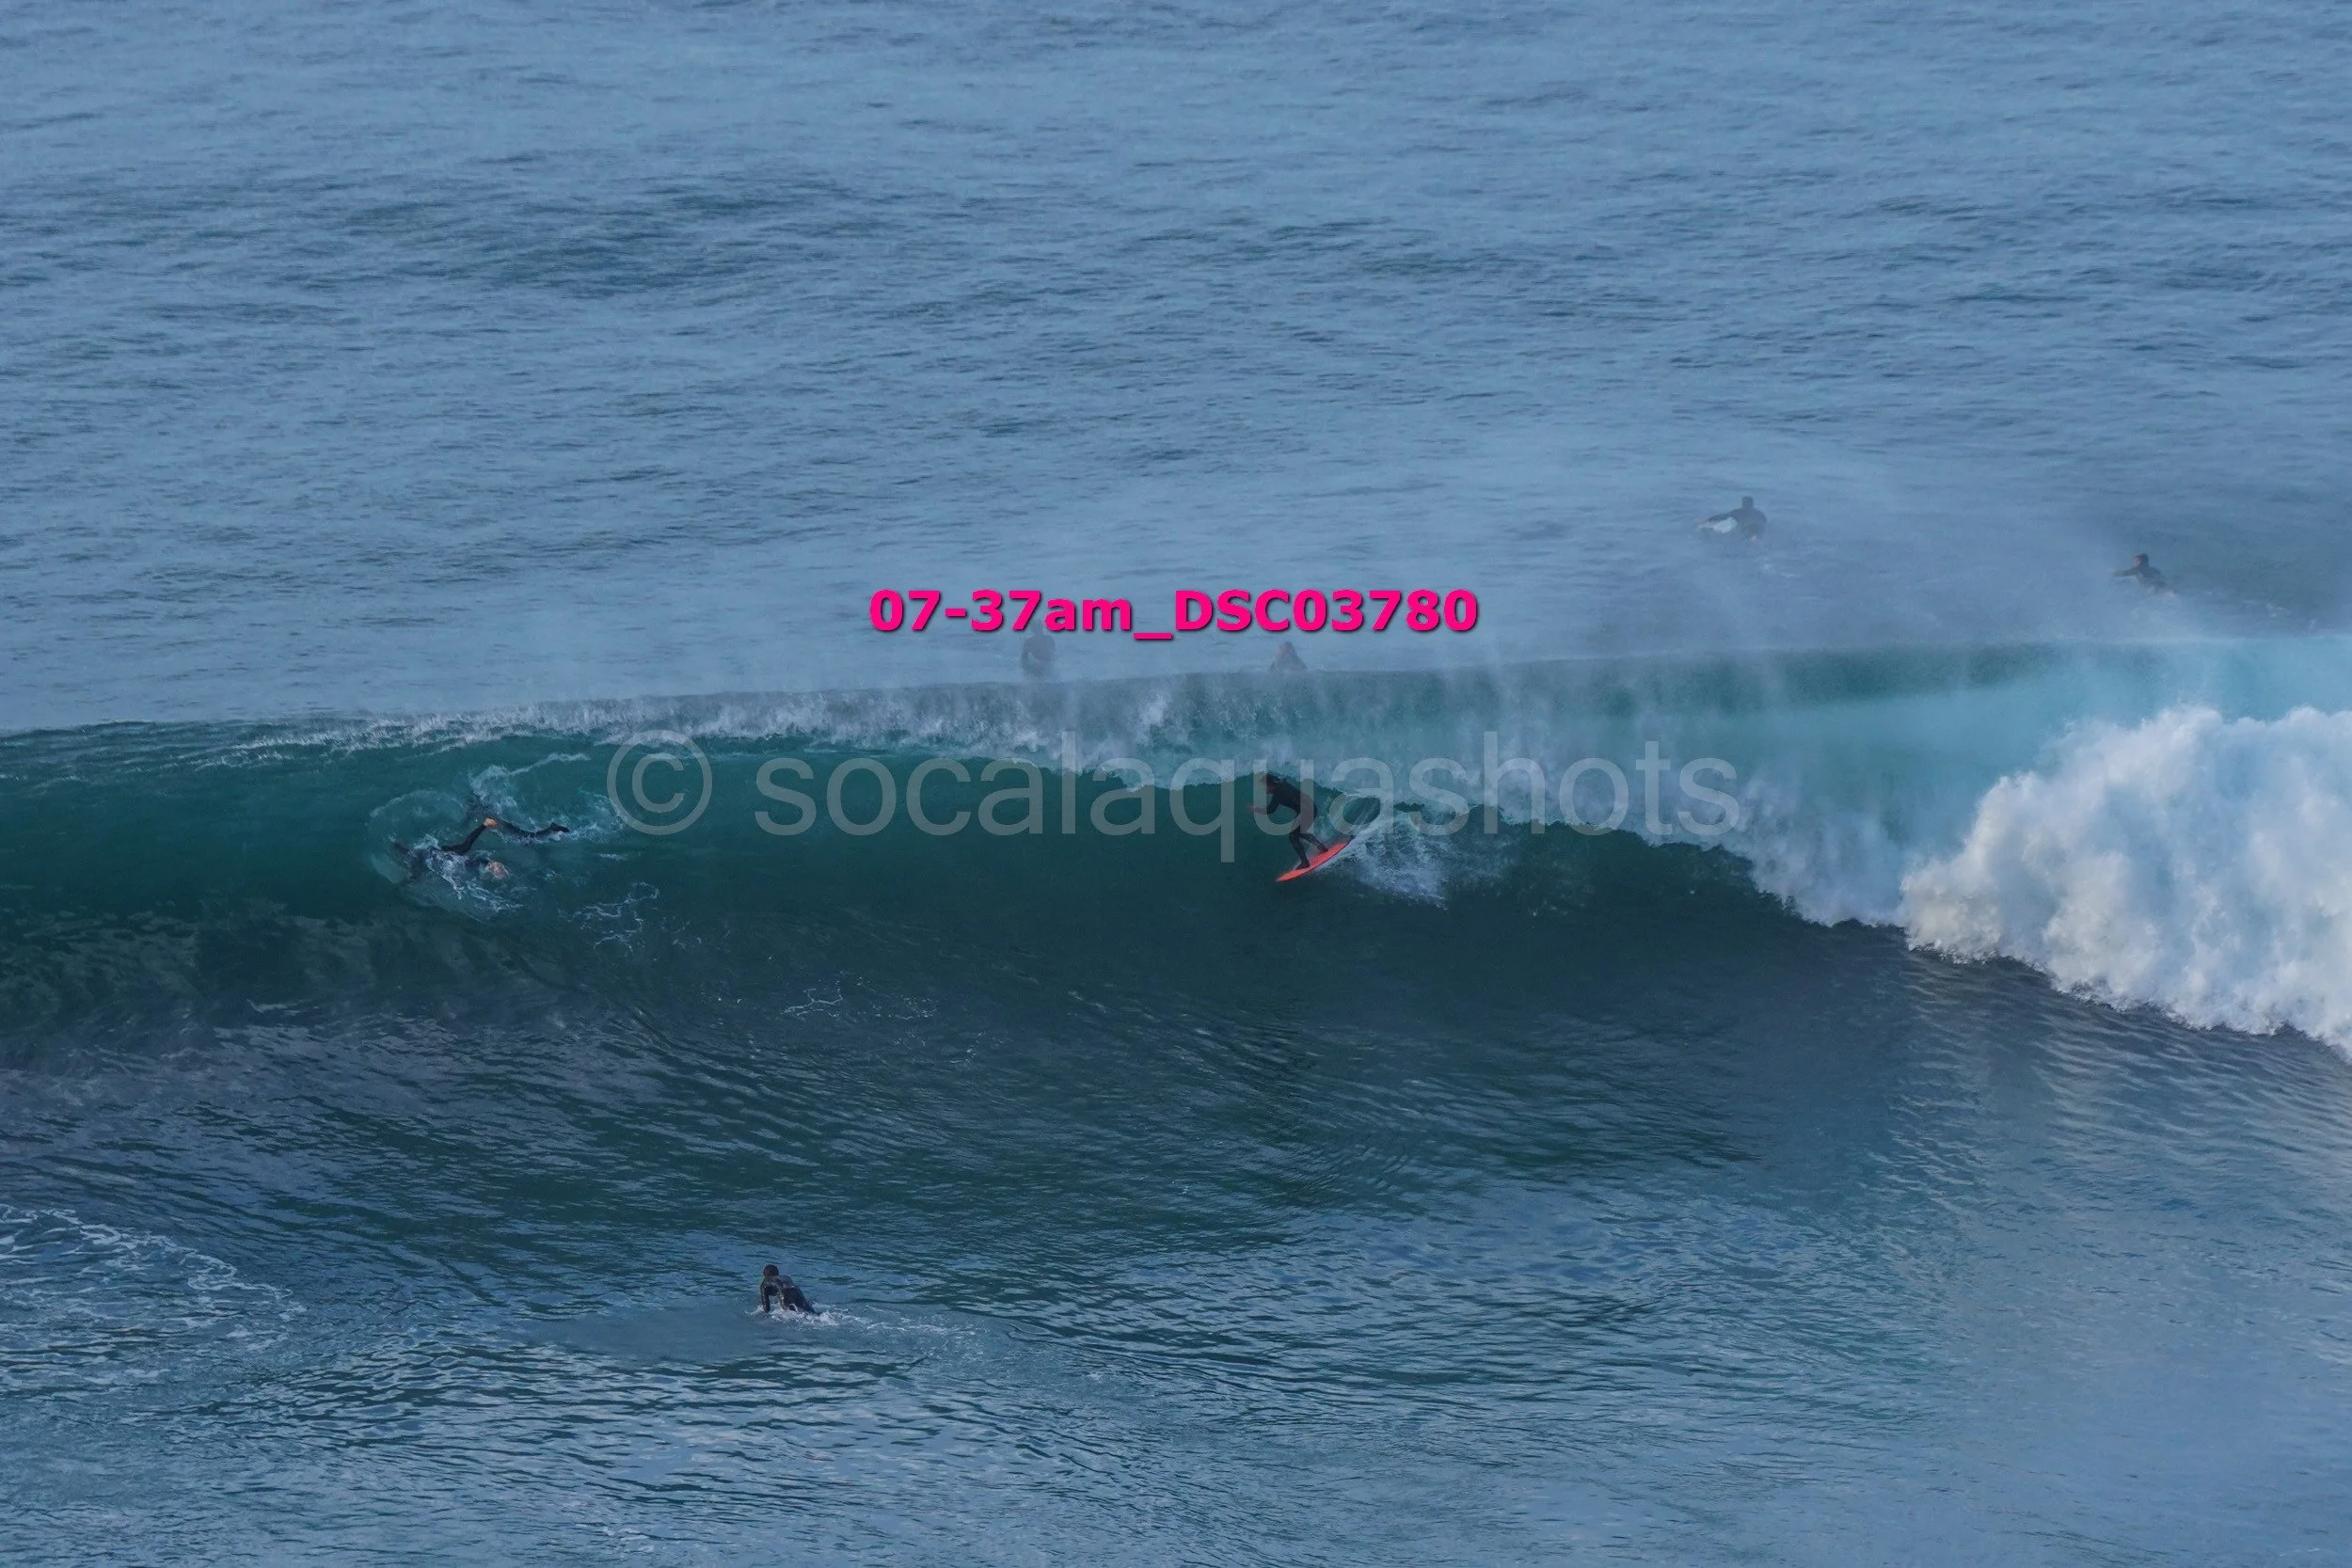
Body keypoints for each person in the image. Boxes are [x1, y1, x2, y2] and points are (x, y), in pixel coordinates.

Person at [394, 816, 568, 884]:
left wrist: (484, 825)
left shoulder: (441, 856)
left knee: (465, 852)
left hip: (435, 854)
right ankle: (490, 864)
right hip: (433, 854)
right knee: (464, 854)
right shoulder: (431, 856)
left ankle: (490, 863)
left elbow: (467, 845)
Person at [1253, 771, 1330, 871]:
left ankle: (1305, 862)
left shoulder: (1278, 794)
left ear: (1270, 786)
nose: (1264, 789)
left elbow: (1270, 810)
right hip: (1310, 808)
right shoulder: (1281, 785)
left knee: (1293, 836)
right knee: (1298, 832)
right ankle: (1321, 847)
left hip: (1306, 811)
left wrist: (1256, 809)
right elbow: (1282, 781)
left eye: (1265, 786)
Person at [1699, 496, 1767, 541]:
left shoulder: (1738, 512)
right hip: (1757, 529)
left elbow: (1724, 516)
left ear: (1743, 504)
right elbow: (1765, 522)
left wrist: (1709, 519)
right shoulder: (1759, 514)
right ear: (1752, 504)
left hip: (1745, 530)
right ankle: (1755, 538)